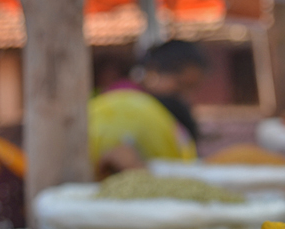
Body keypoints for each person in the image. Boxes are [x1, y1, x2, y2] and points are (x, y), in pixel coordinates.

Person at [88, 40, 209, 178]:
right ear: (153, 71)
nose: (186, 96)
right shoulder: (124, 102)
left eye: (192, 89)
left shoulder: (162, 112)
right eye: (181, 84)